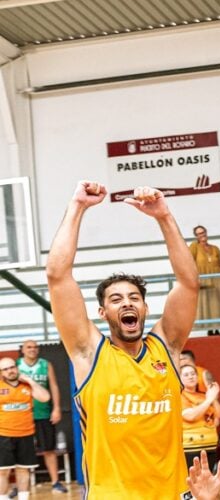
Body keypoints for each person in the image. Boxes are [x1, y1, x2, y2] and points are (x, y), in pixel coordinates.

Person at [46, 182, 199, 497]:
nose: (127, 303)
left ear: (145, 309)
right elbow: (57, 277)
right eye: (116, 300)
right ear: (103, 313)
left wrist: (164, 217)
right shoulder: (89, 352)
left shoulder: (167, 346)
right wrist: (77, 206)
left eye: (134, 298)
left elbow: (188, 283)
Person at [16, 340, 67, 494]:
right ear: (23, 350)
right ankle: (20, 486)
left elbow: (54, 386)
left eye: (35, 347)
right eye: (29, 347)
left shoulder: (45, 364)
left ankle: (55, 482)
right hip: (22, 415)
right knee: (21, 451)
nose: (33, 349)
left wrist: (56, 408)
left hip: (43, 413)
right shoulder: (16, 365)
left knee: (49, 449)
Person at [0, 358, 50, 500]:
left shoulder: (27, 386)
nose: (10, 371)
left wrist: (30, 381)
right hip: (4, 435)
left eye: (12, 367)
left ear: (17, 368)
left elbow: (45, 397)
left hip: (26, 434)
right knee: (3, 471)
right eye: (5, 369)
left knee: (23, 469)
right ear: (1, 373)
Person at [180, 363, 220, 471]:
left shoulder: (204, 395)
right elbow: (190, 416)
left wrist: (213, 397)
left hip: (210, 444)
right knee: (193, 478)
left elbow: (218, 414)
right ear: (179, 378)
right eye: (186, 375)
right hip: (191, 446)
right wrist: (209, 399)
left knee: (209, 477)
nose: (191, 377)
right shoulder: (180, 395)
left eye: (193, 374)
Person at [190, 225, 220, 335]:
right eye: (199, 233)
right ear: (196, 236)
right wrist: (193, 279)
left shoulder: (215, 248)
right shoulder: (194, 247)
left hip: (218, 280)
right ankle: (209, 329)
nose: (202, 235)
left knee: (218, 304)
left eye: (203, 232)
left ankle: (217, 328)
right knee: (206, 303)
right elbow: (189, 262)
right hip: (204, 280)